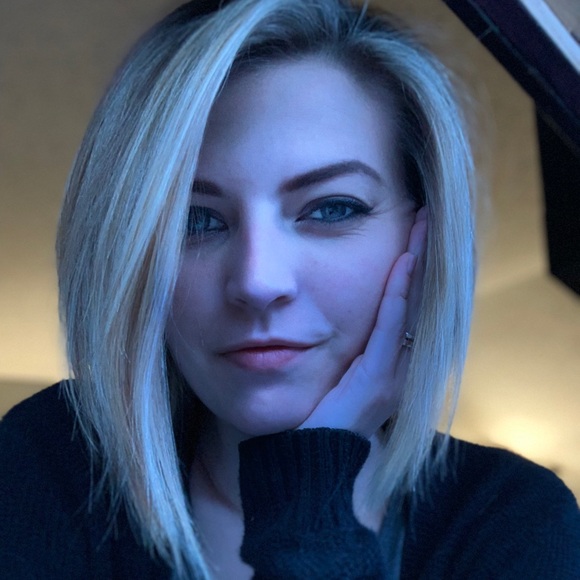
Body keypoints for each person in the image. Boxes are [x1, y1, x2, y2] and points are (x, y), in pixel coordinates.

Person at [1, 0, 579, 578]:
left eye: (331, 208)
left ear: (424, 240)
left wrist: (313, 498)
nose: (258, 282)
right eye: (195, 220)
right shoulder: (47, 463)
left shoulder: (513, 521)